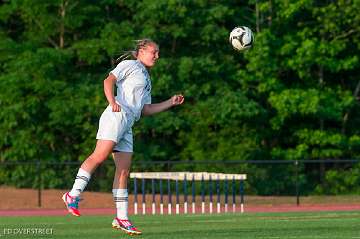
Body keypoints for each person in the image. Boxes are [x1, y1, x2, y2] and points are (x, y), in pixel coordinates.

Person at [62, 38, 184, 236]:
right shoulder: (130, 65)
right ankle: (72, 194)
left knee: (124, 171)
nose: (157, 56)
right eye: (154, 52)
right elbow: (108, 80)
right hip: (117, 115)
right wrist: (112, 102)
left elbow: (145, 109)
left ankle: (122, 217)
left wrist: (170, 102)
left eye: (158, 52)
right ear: (141, 51)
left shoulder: (146, 77)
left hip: (129, 122)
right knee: (99, 156)